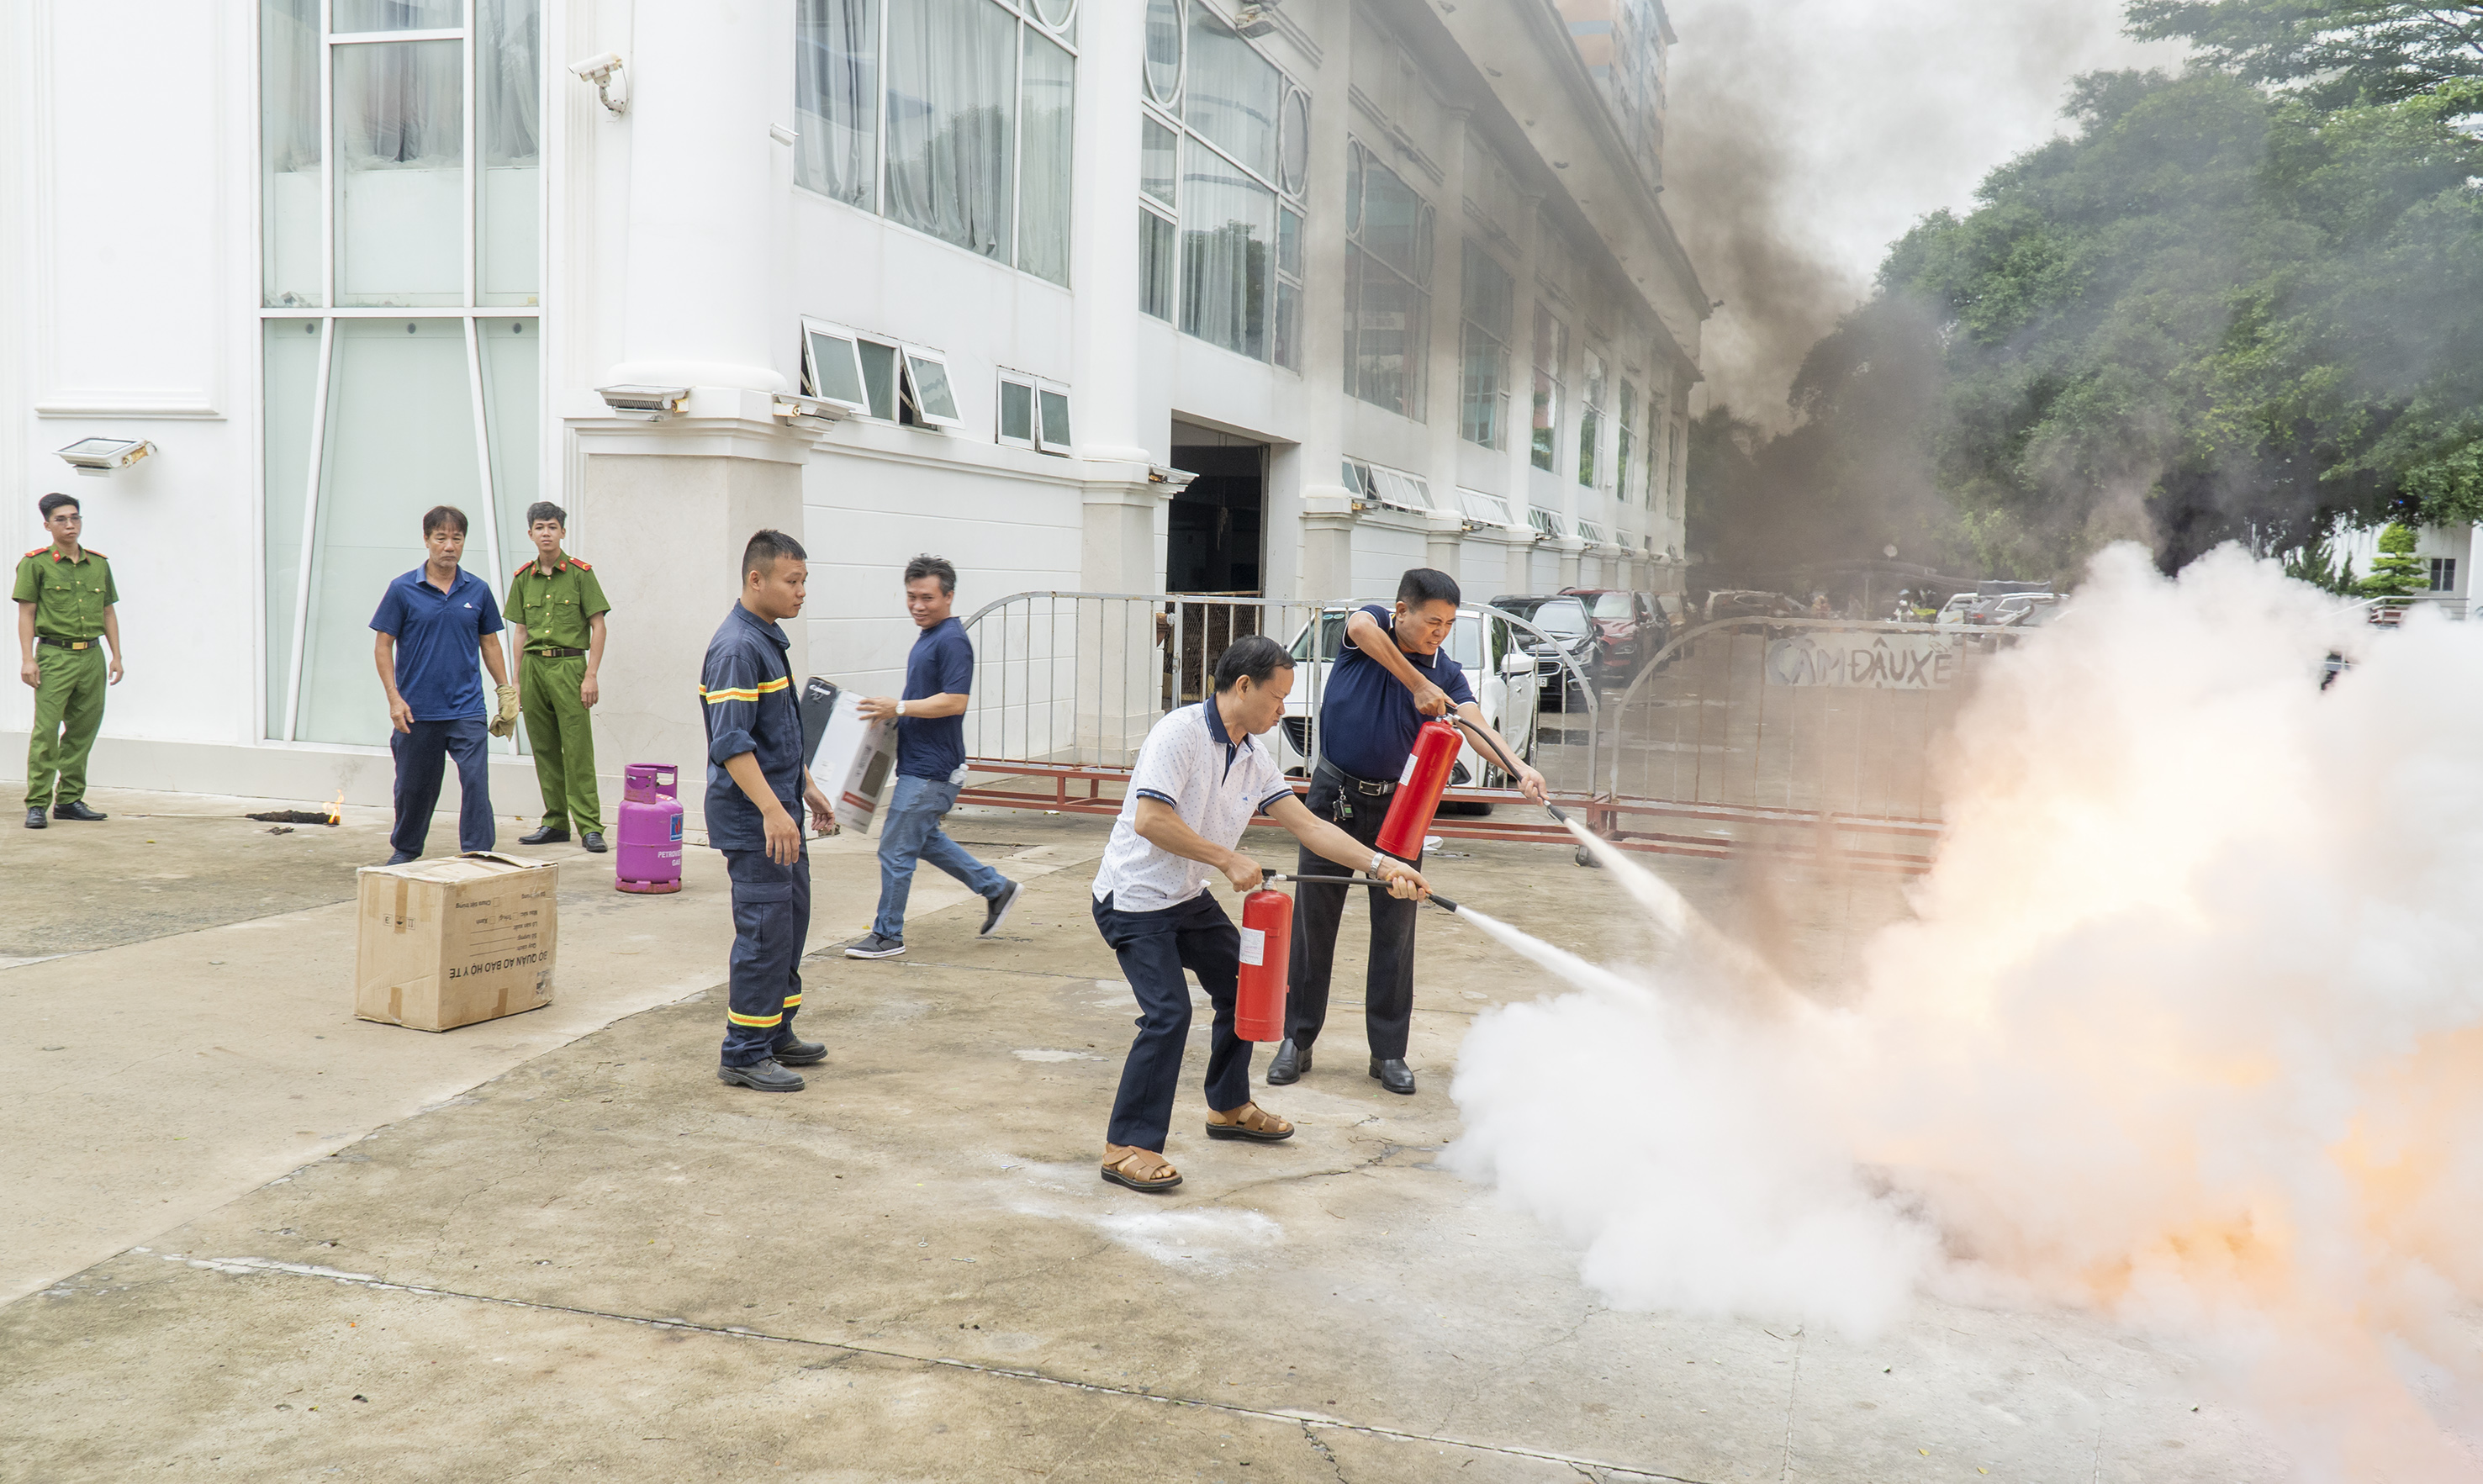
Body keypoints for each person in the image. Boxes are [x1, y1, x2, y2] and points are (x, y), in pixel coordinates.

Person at [1091, 633, 1433, 1192]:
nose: (1282, 709)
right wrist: (1225, 858)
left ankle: (1226, 1106)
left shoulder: (1252, 753)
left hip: (1185, 897)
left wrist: (1382, 865)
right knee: (1168, 1014)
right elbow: (1150, 819)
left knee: (1247, 984)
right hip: (1134, 899)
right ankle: (1126, 1145)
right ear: (1243, 685)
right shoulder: (1177, 734)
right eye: (1277, 698)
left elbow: (1311, 827)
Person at [1271, 568, 1545, 1096]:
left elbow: (1473, 724)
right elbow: (1358, 628)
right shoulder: (1372, 628)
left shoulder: (1449, 672)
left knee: (1396, 926)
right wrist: (1418, 683)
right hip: (1335, 799)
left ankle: (1388, 1052)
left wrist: (1518, 768)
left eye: (1448, 625)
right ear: (1402, 611)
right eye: (1431, 621)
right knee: (1314, 919)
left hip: (1402, 810)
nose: (1438, 633)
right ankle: (1296, 1039)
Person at [701, 529, 838, 1093]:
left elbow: (774, 732)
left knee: (789, 920)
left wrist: (804, 786)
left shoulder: (766, 638)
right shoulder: (736, 648)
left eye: (804, 580)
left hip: (779, 808)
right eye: (792, 580)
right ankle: (743, 1051)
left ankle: (775, 1029)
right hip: (753, 816)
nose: (801, 591)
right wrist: (771, 810)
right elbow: (731, 743)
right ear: (755, 579)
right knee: (762, 929)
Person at [843, 554, 1020, 959]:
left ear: (949, 596)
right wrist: (890, 719)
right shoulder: (930, 637)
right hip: (921, 764)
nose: (918, 606)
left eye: (927, 597)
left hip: (931, 770)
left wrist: (900, 708)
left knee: (895, 849)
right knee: (922, 840)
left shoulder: (951, 640)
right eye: (911, 597)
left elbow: (955, 701)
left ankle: (888, 935)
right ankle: (997, 888)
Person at [371, 506, 516, 864]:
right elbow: (383, 645)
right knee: (413, 788)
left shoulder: (477, 591)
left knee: (475, 782)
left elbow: (491, 643)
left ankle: (479, 851)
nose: (449, 546)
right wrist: (394, 698)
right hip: (416, 711)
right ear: (426, 540)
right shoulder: (403, 589)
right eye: (441, 538)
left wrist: (505, 691)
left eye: (457, 538)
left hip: (466, 708)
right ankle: (405, 849)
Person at [505, 501, 612, 853]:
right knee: (544, 746)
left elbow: (598, 626)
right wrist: (516, 683)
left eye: (552, 527)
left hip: (569, 666)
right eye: (540, 527)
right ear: (531, 534)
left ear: (563, 532)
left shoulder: (580, 574)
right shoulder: (524, 578)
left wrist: (591, 675)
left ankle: (589, 825)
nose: (546, 533)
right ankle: (555, 821)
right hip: (534, 667)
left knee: (577, 748)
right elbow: (520, 631)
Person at [15, 492, 123, 830]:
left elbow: (108, 611)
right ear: (47, 525)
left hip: (91, 655)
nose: (70, 524)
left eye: (75, 517)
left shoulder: (98, 564)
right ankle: (37, 803)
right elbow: (26, 612)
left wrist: (116, 655)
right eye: (61, 519)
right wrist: (28, 659)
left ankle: (70, 799)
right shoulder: (36, 563)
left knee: (82, 730)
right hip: (54, 655)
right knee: (46, 732)